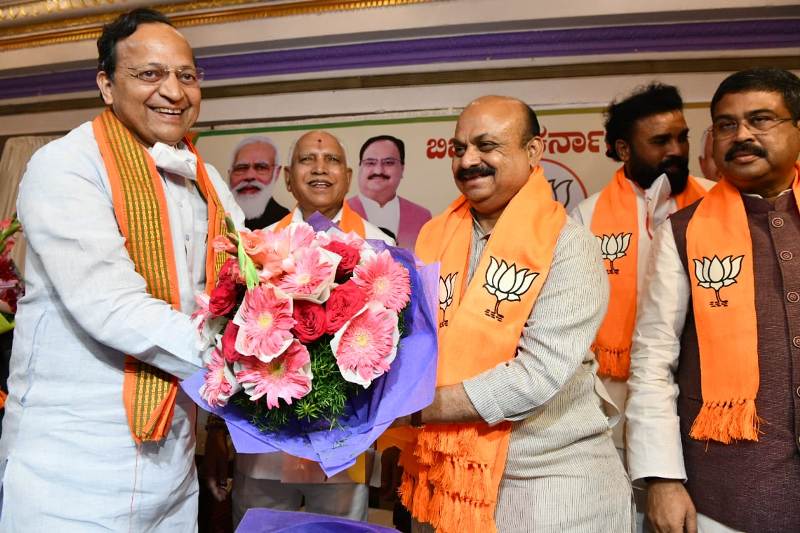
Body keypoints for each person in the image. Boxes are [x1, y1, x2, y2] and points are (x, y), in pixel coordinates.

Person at [0, 8, 244, 531]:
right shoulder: (66, 165)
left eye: (186, 75)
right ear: (107, 85)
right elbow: (111, 305)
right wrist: (246, 362)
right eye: (150, 74)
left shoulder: (208, 180)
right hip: (71, 466)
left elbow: (244, 281)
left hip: (174, 460)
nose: (173, 91)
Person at [393, 96, 632, 532]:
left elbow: (535, 376)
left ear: (533, 150)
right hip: (444, 477)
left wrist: (410, 409)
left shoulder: (568, 244)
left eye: (487, 146)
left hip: (550, 487)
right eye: (459, 148)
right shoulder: (433, 237)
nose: (468, 161)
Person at [626, 67, 800, 532]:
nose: (741, 135)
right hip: (727, 496)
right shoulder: (683, 232)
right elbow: (653, 359)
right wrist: (662, 478)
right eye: (726, 125)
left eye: (760, 119)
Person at [205, 129, 392, 528]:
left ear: (348, 175)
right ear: (288, 178)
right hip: (267, 440)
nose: (320, 168)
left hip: (343, 440)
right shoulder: (256, 246)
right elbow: (227, 340)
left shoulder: (380, 247)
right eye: (308, 159)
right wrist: (217, 427)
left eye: (331, 160)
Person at [570, 83, 713, 526]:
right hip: (615, 409)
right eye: (660, 141)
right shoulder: (586, 217)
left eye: (682, 137)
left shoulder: (716, 203)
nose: (676, 150)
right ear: (623, 149)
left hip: (705, 402)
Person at [348, 135, 431, 249]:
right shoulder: (341, 213)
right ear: (360, 167)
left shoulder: (422, 216)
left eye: (388, 163)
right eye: (370, 163)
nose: (378, 170)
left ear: (402, 168)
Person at [228, 135, 290, 229]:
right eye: (241, 168)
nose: (249, 176)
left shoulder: (288, 223)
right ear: (230, 174)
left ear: (276, 173)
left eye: (261, 167)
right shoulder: (218, 220)